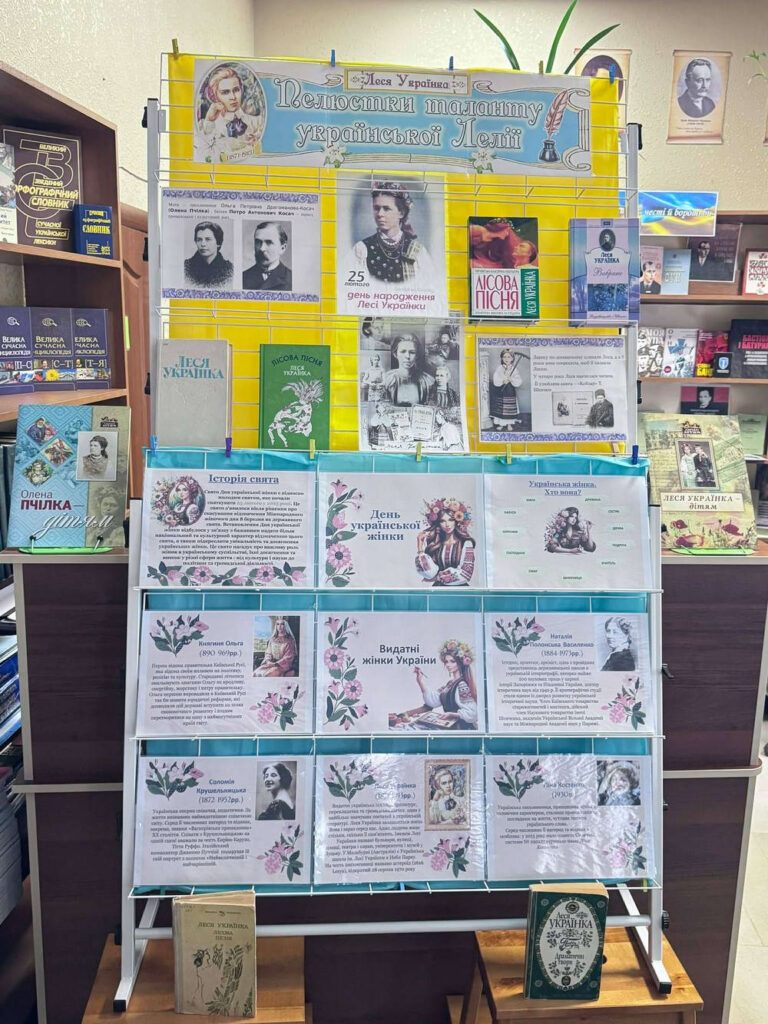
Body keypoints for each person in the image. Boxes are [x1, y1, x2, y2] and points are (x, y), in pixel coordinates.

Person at [347, 182, 440, 291]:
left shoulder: (417, 251)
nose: (380, 214)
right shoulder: (361, 249)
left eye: (386, 208)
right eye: (376, 208)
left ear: (401, 213)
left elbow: (431, 288)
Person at [198, 63, 263, 161]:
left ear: (241, 90)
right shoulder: (209, 126)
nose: (233, 97)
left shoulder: (257, 122)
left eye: (236, 90)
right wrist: (209, 121)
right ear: (215, 96)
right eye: (225, 92)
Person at [413, 640, 477, 729]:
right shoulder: (450, 683)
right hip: (450, 726)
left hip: (461, 728)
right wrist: (420, 681)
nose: (448, 665)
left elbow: (472, 713)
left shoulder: (462, 685)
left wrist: (452, 714)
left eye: (452, 661)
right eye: (446, 662)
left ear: (460, 663)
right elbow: (434, 701)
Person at [416, 499, 475, 586]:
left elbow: (466, 574)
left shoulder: (465, 543)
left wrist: (437, 578)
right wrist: (420, 547)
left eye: (450, 520)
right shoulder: (436, 544)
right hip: (438, 589)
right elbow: (429, 573)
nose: (447, 524)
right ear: (438, 523)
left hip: (460, 590)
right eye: (442, 521)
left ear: (457, 521)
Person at [383, 334, 434, 406]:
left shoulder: (428, 381)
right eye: (403, 351)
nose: (407, 356)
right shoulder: (387, 379)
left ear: (416, 355)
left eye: (412, 352)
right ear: (395, 354)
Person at [242, 222, 292, 291]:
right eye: (258, 242)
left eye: (269, 242)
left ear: (282, 248)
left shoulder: (292, 279)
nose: (262, 248)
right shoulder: (243, 277)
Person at [184, 221, 233, 288]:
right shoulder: (186, 267)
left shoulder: (229, 270)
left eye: (208, 239)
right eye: (199, 240)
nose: (203, 244)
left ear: (218, 243)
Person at [489, 348, 523, 429]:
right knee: (501, 408)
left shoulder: (514, 369)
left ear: (512, 358)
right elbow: (496, 378)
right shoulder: (500, 368)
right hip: (501, 391)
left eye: (508, 357)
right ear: (502, 358)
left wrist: (511, 379)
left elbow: (519, 380)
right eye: (504, 357)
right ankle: (501, 424)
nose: (506, 359)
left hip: (510, 391)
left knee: (509, 408)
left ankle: (509, 424)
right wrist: (502, 380)